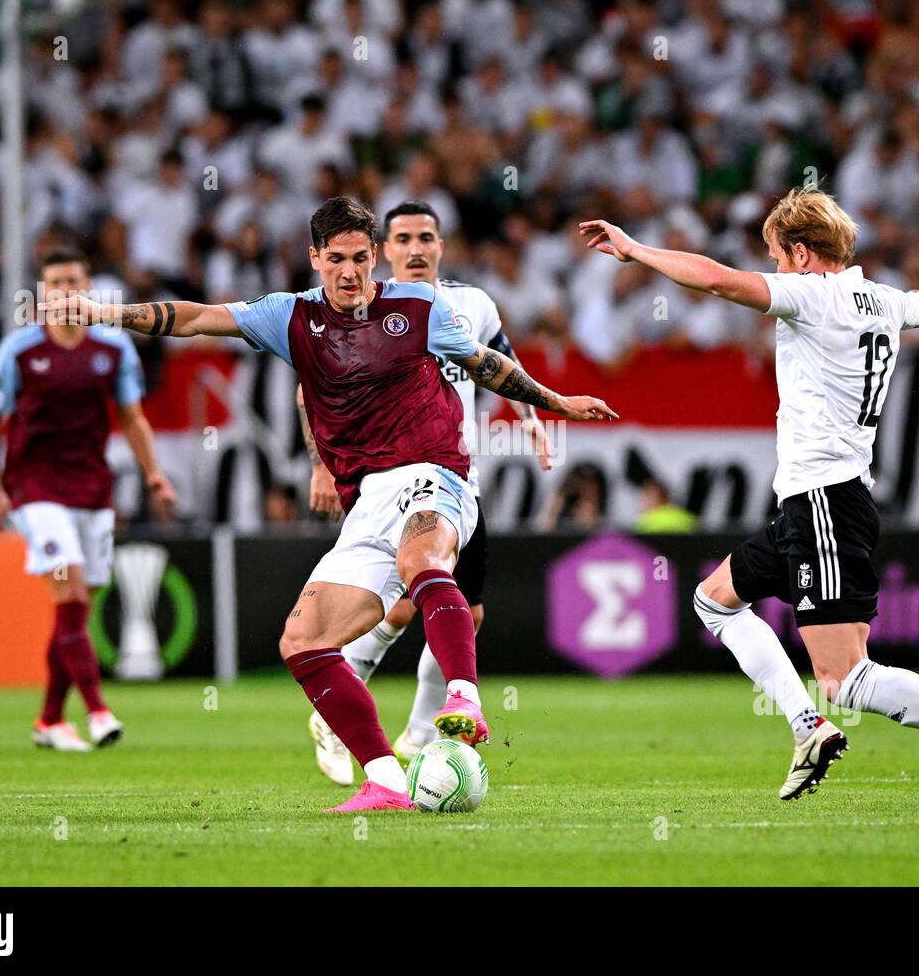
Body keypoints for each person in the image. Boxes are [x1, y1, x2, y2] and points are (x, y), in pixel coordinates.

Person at [45, 196, 616, 811]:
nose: (351, 273)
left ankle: (462, 699)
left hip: (435, 475)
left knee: (422, 562)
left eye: (361, 259)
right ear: (315, 258)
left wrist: (555, 404)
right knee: (302, 641)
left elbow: (484, 365)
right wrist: (107, 311)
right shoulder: (289, 316)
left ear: (376, 259)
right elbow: (193, 319)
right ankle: (387, 781)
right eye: (337, 259)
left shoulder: (420, 305)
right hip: (366, 499)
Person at [580, 185, 919, 812]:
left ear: (800, 254)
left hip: (824, 501)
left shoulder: (812, 295)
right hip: (815, 502)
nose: (772, 267)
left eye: (775, 254)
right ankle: (807, 728)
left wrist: (637, 250)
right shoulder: (878, 299)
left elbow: (718, 281)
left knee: (845, 678)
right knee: (713, 601)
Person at [304, 200, 553, 786]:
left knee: (469, 611)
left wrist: (533, 417)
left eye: (426, 237)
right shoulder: (368, 306)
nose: (415, 248)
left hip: (455, 480)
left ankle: (417, 734)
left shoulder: (472, 305)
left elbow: (499, 362)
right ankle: (357, 711)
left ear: (442, 245)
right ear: (384, 250)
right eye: (403, 239)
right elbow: (310, 388)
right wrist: (319, 465)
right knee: (407, 600)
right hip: (391, 475)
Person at [0, 249, 177, 752]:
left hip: (92, 488)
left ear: (88, 288)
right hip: (35, 486)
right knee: (66, 587)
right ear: (42, 294)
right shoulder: (19, 349)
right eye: (54, 283)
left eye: (72, 281)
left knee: (74, 609)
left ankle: (48, 720)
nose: (64, 292)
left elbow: (132, 418)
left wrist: (154, 474)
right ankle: (97, 709)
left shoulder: (113, 349)